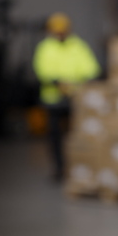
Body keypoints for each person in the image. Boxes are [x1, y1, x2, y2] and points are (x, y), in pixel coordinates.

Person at [33, 12, 100, 181]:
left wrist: (80, 81)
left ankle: (77, 167)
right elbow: (42, 70)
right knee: (55, 137)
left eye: (62, 30)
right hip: (53, 100)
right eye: (57, 30)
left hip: (75, 99)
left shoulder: (78, 46)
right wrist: (56, 82)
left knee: (76, 136)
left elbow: (91, 68)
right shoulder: (45, 48)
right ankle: (58, 168)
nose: (60, 33)